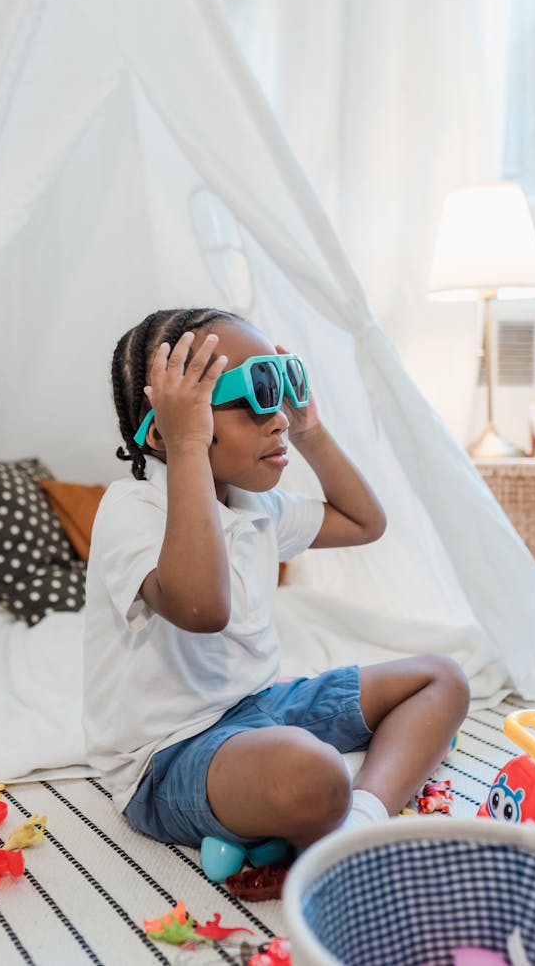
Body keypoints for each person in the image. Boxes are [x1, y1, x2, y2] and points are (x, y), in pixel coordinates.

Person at [82, 307, 470, 853]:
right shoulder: (133, 507)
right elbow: (201, 608)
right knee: (311, 772)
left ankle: (361, 821)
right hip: (169, 756)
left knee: (442, 677)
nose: (279, 415)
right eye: (251, 397)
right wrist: (190, 444)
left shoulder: (252, 503)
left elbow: (365, 522)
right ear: (168, 430)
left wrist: (311, 430)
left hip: (260, 706)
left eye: (282, 384)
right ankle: (317, 806)